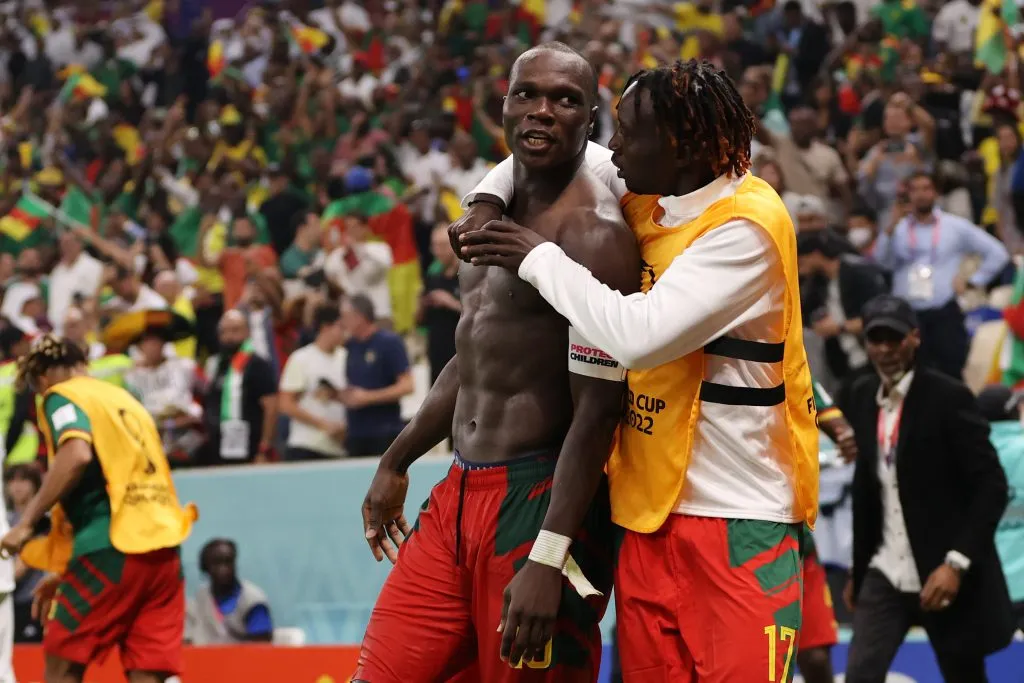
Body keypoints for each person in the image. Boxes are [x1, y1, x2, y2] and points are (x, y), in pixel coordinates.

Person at [458, 59, 819, 681]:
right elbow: (547, 153)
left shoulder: (747, 227)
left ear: (679, 146)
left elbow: (639, 338)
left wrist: (539, 258)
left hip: (738, 522)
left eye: (625, 131)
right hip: (646, 517)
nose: (612, 145)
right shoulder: (659, 186)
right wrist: (488, 201)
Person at [354, 42, 640, 682]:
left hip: (538, 498)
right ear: (504, 106)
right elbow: (473, 352)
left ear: (589, 120)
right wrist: (397, 459)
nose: (542, 111)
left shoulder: (595, 234)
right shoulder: (489, 212)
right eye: (526, 95)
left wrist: (549, 554)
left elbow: (598, 415)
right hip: (457, 489)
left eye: (564, 100)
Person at [836, 295, 1015, 683]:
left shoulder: (948, 397)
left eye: (894, 338)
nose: (885, 349)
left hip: (942, 569)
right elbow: (868, 488)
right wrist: (860, 565)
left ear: (914, 337)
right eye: (875, 339)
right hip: (886, 568)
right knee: (859, 675)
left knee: (963, 675)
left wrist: (957, 562)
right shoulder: (862, 394)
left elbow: (992, 486)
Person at [0, 334, 197, 683]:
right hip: (165, 550)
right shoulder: (128, 400)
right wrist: (63, 568)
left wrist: (26, 522)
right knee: (147, 674)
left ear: (43, 377)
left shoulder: (63, 396)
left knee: (62, 664)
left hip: (111, 546)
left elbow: (77, 454)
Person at [872, 171, 1009, 379]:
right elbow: (880, 262)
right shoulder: (897, 229)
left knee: (951, 374)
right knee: (911, 377)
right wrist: (889, 228)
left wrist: (973, 281)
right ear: (908, 195)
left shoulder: (954, 226)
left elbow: (998, 253)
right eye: (915, 190)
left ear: (935, 192)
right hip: (907, 317)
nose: (921, 195)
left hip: (944, 313)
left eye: (926, 188)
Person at [340, 295, 414, 457]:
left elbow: (407, 385)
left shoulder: (389, 343)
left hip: (384, 431)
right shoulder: (349, 346)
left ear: (359, 317)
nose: (342, 322)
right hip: (355, 432)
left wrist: (368, 397)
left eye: (345, 317)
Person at [278, 303, 349, 461]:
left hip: (338, 447)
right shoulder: (301, 358)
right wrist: (322, 424)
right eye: (340, 327)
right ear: (325, 327)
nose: (344, 333)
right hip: (306, 444)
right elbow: (286, 403)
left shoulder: (347, 358)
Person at [186, 538, 273, 644]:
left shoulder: (253, 601)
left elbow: (262, 647)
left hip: (244, 659)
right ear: (205, 567)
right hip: (207, 658)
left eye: (228, 561)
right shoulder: (201, 597)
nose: (224, 568)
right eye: (217, 563)